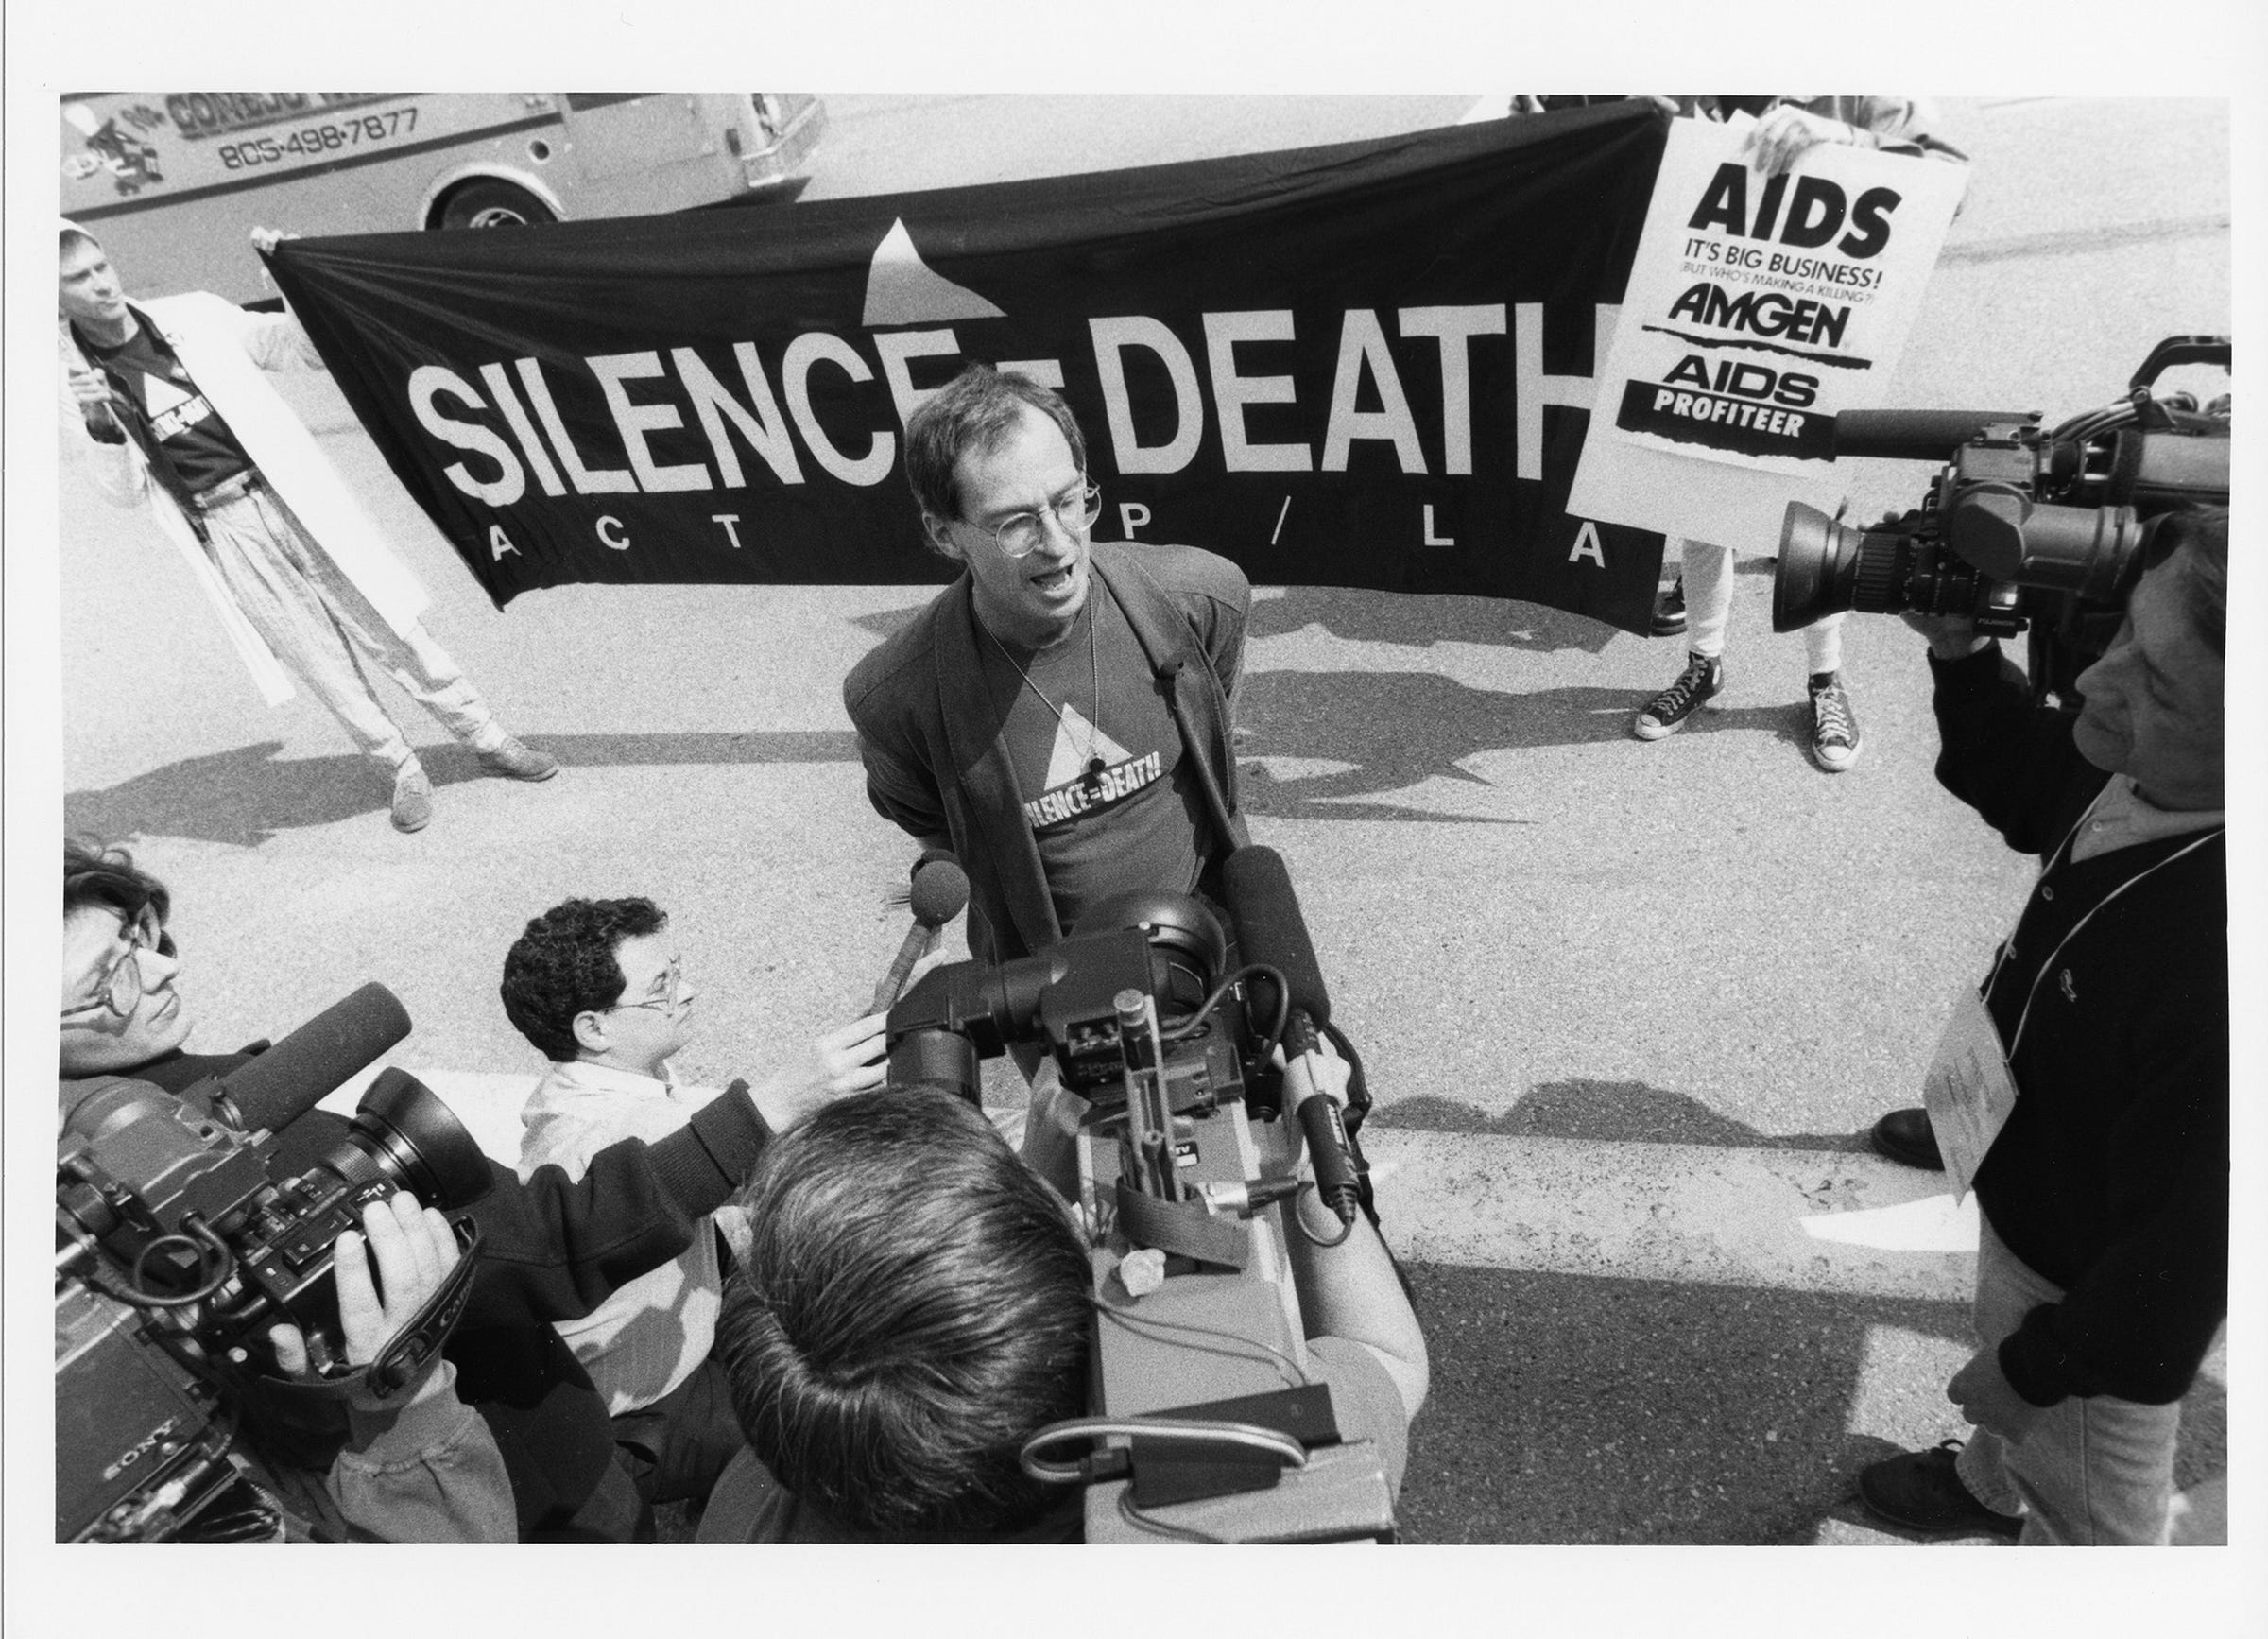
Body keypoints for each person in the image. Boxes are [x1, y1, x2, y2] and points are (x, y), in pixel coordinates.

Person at [58, 837, 870, 1540]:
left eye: (145, 934)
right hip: (520, 1488)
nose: (165, 969)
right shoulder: (216, 1157)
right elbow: (547, 1242)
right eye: (111, 978)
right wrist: (764, 1111)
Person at [1854, 509, 2226, 1545]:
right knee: (2008, 1353)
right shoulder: (2157, 770)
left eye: (2159, 681)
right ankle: (1989, 1480)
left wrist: (2039, 1371)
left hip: (2089, 1286)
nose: (2100, 682)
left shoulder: (2228, 972)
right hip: (2041, 1172)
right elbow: (2029, 777)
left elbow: (2182, 1264)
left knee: (2095, 1502)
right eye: (2123, 636)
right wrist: (1962, 655)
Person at [697, 1079, 1427, 1542]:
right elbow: (1391, 1362)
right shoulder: (1242, 1461)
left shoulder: (747, 1515)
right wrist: (1311, 1160)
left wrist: (1033, 1177)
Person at [58, 222, 555, 834]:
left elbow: (299, 350)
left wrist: (288, 282)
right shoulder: (71, 383)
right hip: (224, 525)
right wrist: (97, 423)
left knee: (388, 624)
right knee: (319, 660)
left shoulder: (192, 315)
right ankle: (401, 768)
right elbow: (124, 493)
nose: (102, 285)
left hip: (290, 493)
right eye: (78, 280)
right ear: (53, 299)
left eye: (100, 266)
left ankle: (488, 736)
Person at [843, 364, 1252, 969]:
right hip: (1050, 981)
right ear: (944, 533)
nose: (1059, 544)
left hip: (1214, 937)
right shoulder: (895, 699)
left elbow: (1214, 735)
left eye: (1068, 502)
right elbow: (933, 826)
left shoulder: (1198, 601)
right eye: (1015, 523)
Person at [500, 895, 892, 1521]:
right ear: (594, 1029)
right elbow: (810, 1170)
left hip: (670, 1350)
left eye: (678, 970)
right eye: (663, 986)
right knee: (848, 1426)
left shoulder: (581, 1089)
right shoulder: (629, 1128)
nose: (690, 991)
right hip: (652, 1405)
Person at [1628, 98, 1967, 772]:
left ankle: (1825, 679)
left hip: (1818, 321)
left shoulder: (1856, 75)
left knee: (1813, 517)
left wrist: (1842, 137)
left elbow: (1951, 180)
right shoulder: (1693, 62)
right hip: (1712, 306)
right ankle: (1704, 664)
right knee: (1697, 502)